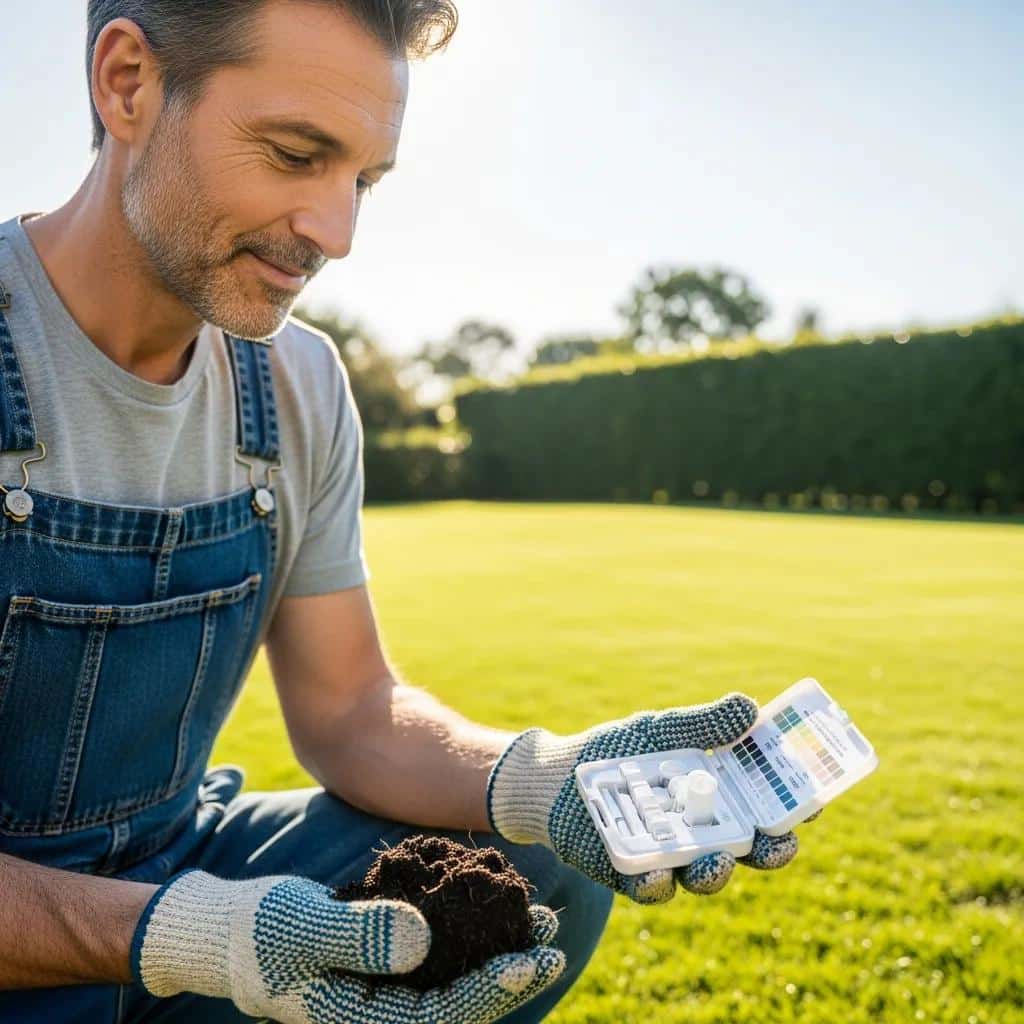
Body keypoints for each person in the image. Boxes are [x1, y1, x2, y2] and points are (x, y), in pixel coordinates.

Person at [0, 2, 811, 1021]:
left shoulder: (296, 382)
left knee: (523, 873)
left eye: (364, 180)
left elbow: (349, 711)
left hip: (175, 859)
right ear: (127, 82)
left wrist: (539, 780)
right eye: (297, 155)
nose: (335, 233)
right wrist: (192, 935)